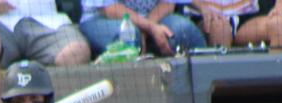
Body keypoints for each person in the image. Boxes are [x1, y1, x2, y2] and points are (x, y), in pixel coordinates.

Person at [79, 0, 207, 58]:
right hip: (103, 18)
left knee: (185, 31)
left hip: (153, 18)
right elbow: (109, 8)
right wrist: (148, 27)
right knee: (129, 35)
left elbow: (168, 2)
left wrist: (148, 28)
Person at [191, 0, 282, 51]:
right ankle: (226, 90)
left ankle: (277, 89)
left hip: (249, 14)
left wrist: (281, 4)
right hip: (208, 15)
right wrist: (201, 7)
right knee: (220, 28)